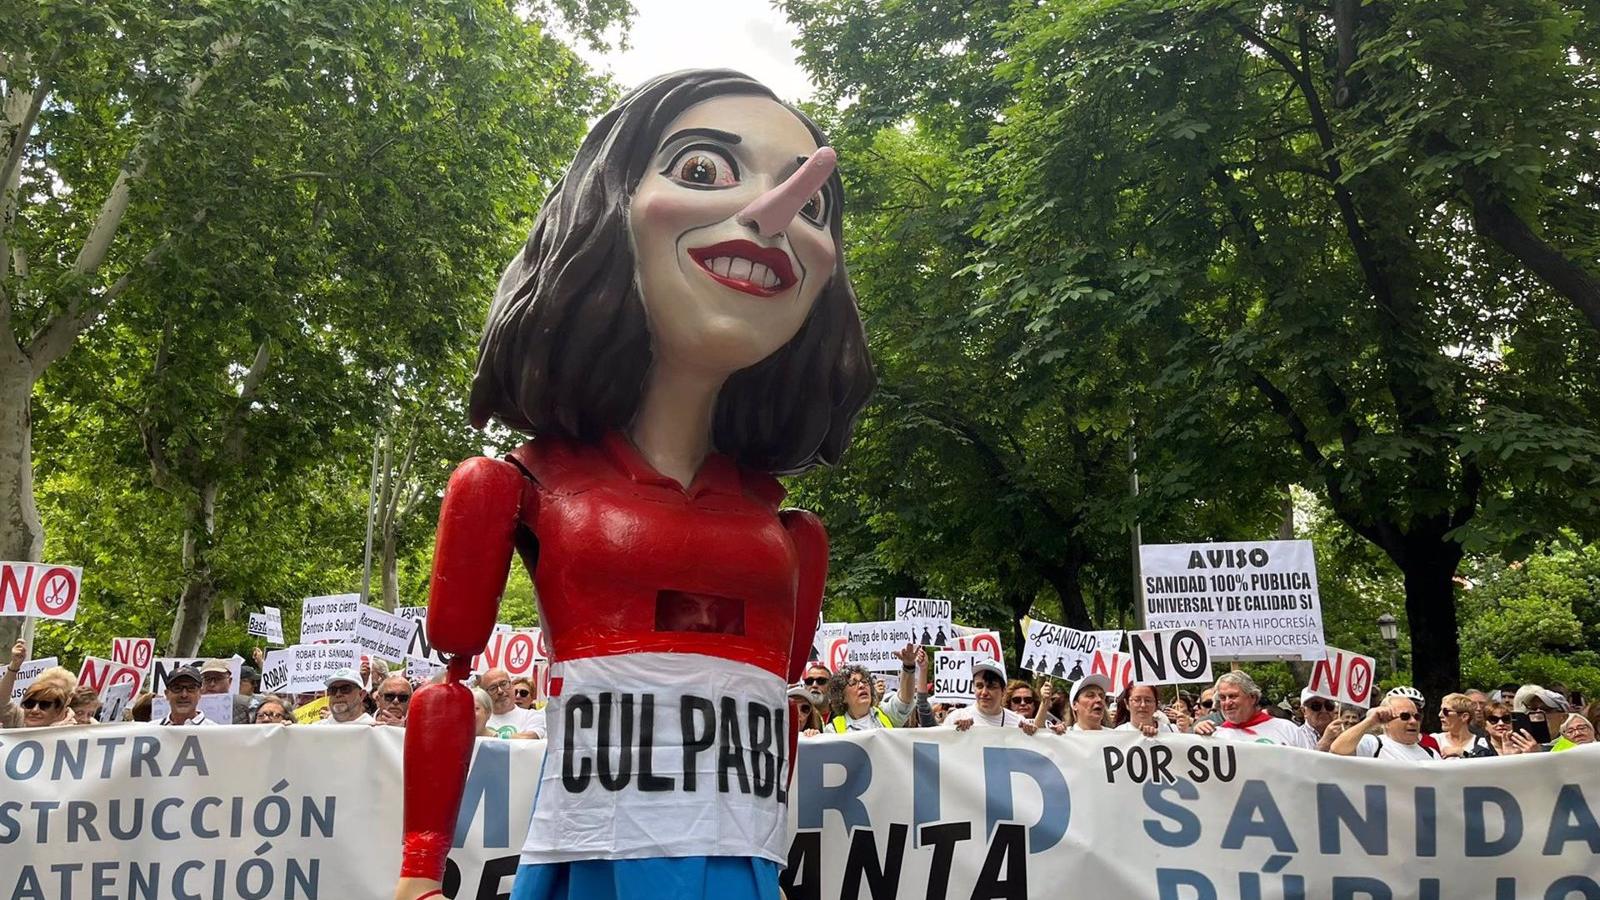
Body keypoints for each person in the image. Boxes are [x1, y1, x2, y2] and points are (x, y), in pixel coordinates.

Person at [396, 69, 874, 900]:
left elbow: (777, 703)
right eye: (703, 170)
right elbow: (451, 682)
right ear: (604, 207)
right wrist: (418, 869)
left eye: (812, 204)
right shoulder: (512, 486)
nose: (773, 215)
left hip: (741, 864)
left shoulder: (795, 536)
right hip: (592, 859)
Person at [1194, 672, 1315, 748]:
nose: (1227, 703)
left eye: (1233, 696)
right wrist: (1199, 739)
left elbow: (1310, 766)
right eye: (1222, 698)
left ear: (1253, 697)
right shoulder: (1216, 735)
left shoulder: (1287, 729)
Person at [826, 645, 922, 731]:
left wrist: (908, 666)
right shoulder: (833, 730)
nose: (861, 685)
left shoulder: (885, 713)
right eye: (853, 683)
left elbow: (904, 701)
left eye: (864, 681)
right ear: (842, 697)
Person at [1331, 695, 1439, 761]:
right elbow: (1337, 749)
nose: (1413, 721)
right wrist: (1369, 721)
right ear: (1387, 722)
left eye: (1417, 716)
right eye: (1405, 716)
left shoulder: (1432, 754)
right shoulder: (1373, 744)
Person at [946, 659, 1038, 732]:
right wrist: (955, 732)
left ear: (1003, 690)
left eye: (991, 687)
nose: (984, 692)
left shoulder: (1018, 723)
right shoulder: (956, 717)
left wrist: (1029, 735)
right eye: (979, 686)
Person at [479, 668, 544, 738]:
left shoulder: (531, 716)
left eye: (504, 684)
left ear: (512, 685)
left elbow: (529, 737)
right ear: (484, 694)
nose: (500, 691)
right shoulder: (478, 719)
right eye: (493, 688)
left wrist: (493, 736)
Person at [1433, 692, 1493, 758]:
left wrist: (1462, 753)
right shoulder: (1435, 740)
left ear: (1464, 717)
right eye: (1440, 710)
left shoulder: (1481, 743)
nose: (1440, 715)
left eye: (1446, 711)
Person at [1114, 683, 1182, 735]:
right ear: (1126, 703)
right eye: (1137, 700)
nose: (1143, 705)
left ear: (1156, 704)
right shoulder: (1117, 734)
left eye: (1148, 700)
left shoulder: (1172, 730)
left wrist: (1185, 729)